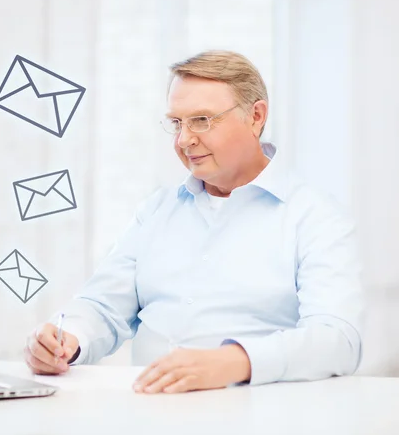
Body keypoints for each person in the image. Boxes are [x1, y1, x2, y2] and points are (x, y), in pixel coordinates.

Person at [23, 50, 363, 394]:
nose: (184, 139)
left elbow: (338, 338)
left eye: (202, 120)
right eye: (177, 123)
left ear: (256, 116)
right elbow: (103, 306)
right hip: (149, 411)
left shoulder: (314, 216)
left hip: (260, 416)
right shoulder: (157, 209)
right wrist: (65, 339)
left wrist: (234, 361)